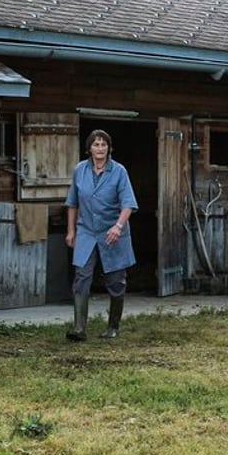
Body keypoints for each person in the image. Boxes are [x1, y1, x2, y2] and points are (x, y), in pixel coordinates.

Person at [64, 129, 137, 341]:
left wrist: (118, 226)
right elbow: (72, 202)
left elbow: (128, 204)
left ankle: (113, 326)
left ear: (109, 148)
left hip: (113, 231)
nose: (100, 149)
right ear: (89, 148)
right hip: (86, 231)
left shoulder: (119, 171)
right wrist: (71, 231)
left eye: (104, 145)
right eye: (96, 145)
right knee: (81, 277)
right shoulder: (80, 170)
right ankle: (79, 328)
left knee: (116, 281)